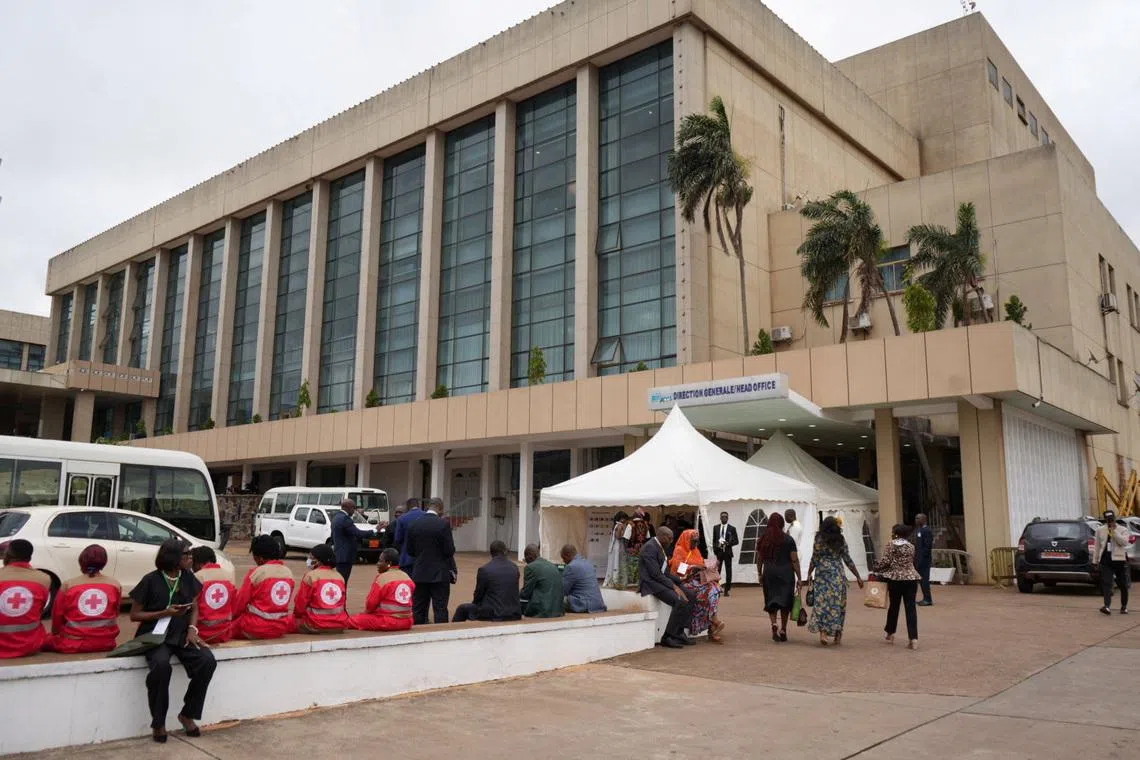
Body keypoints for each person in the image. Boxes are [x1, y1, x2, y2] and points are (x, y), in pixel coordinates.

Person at [128, 539, 215, 743]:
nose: (191, 558)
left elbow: (194, 606)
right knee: (161, 666)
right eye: (187, 554)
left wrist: (192, 628)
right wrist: (163, 613)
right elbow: (134, 615)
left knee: (207, 661)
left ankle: (188, 714)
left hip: (181, 633)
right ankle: (158, 723)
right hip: (155, 635)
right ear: (174, 558)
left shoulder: (188, 577)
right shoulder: (150, 580)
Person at [46, 544, 121, 654]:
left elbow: (57, 616)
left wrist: (55, 634)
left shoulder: (68, 585)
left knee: (42, 639)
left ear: (81, 561)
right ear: (104, 562)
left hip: (72, 643)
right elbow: (116, 613)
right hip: (106, 643)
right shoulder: (115, 584)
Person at [806, 517, 863, 646]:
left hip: (822, 575)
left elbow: (814, 558)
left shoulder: (819, 539)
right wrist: (858, 576)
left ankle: (823, 633)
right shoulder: (840, 540)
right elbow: (847, 559)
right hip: (837, 575)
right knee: (838, 604)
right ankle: (838, 634)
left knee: (821, 604)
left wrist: (808, 573)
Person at [639, 526, 695, 649]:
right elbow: (655, 574)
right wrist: (673, 586)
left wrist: (679, 580)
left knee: (691, 595)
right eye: (670, 539)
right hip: (650, 583)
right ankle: (668, 637)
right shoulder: (650, 548)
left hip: (660, 580)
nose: (671, 541)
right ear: (663, 537)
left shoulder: (660, 547)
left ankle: (679, 633)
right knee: (679, 600)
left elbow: (665, 573)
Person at [232, 534, 295, 640]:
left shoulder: (256, 573)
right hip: (280, 628)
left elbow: (239, 605)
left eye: (254, 558)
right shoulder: (288, 574)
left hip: (254, 627)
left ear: (260, 558)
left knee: (223, 628)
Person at [405, 497, 457, 624]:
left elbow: (410, 551)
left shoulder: (414, 524)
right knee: (440, 608)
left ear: (428, 507)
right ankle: (440, 635)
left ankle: (418, 633)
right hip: (439, 573)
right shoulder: (443, 524)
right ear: (440, 508)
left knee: (418, 608)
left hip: (419, 572)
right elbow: (449, 551)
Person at [669, 529, 725, 642]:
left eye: (697, 541)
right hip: (684, 581)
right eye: (693, 541)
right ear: (687, 540)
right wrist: (693, 567)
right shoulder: (679, 550)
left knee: (715, 590)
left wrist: (708, 566)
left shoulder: (695, 550)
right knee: (708, 592)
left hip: (697, 579)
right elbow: (677, 569)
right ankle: (713, 622)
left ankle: (712, 625)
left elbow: (700, 562)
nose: (695, 544)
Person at [872, 524, 922, 649]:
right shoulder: (911, 546)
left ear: (895, 533)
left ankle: (890, 632)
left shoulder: (891, 544)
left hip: (896, 578)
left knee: (894, 606)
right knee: (911, 608)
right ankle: (913, 638)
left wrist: (877, 567)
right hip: (911, 578)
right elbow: (912, 561)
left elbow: (886, 561)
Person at [0, 539, 51, 658]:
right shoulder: (44, 579)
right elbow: (40, 610)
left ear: (7, 555)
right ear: (29, 557)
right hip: (30, 645)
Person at [758, 512, 800, 643]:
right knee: (785, 602)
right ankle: (783, 629)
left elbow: (759, 559)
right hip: (786, 573)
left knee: (771, 600)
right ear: (782, 524)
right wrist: (799, 576)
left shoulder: (763, 539)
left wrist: (759, 573)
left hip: (769, 572)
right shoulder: (788, 539)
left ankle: (774, 623)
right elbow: (794, 559)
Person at [453, 541, 521, 622]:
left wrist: (476, 605)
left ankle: (451, 633)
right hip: (514, 613)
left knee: (462, 609)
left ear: (491, 553)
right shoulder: (514, 568)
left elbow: (478, 594)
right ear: (505, 551)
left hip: (494, 614)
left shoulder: (485, 569)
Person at [350, 548, 416, 632]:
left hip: (388, 622)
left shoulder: (382, 578)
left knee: (352, 620)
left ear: (389, 563)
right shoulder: (407, 577)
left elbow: (370, 605)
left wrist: (365, 614)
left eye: (380, 561)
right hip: (408, 621)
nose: (378, 564)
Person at [292, 544, 351, 633]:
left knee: (286, 621)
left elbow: (300, 605)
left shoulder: (311, 576)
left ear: (318, 561)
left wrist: (296, 617)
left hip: (315, 624)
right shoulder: (340, 577)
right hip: (339, 625)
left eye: (311, 558)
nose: (309, 560)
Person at [191, 546, 236, 645]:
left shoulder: (198, 577)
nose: (192, 568)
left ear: (198, 563)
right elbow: (234, 604)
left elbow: (191, 607)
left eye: (193, 565)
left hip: (201, 633)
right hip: (224, 633)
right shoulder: (229, 576)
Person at [1094, 510, 1130, 615]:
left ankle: (1124, 606)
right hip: (1105, 560)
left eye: (1111, 519)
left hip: (1119, 560)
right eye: (1108, 519)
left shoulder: (1122, 529)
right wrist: (1095, 561)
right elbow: (1097, 546)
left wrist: (1114, 531)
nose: (1110, 521)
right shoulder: (1100, 530)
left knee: (1122, 584)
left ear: (1114, 518)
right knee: (1107, 583)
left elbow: (1124, 542)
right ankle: (1107, 606)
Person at [331, 498, 375, 582]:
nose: (354, 511)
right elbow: (357, 533)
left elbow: (333, 535)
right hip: (345, 556)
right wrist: (374, 531)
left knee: (340, 580)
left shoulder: (336, 517)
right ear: (348, 507)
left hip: (339, 554)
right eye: (354, 508)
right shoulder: (345, 519)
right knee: (343, 581)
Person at [520, 544, 564, 618]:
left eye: (525, 557)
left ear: (529, 556)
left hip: (542, 610)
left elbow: (526, 593)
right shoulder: (552, 565)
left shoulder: (530, 567)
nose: (526, 561)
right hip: (558, 609)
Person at [561, 544, 607, 613]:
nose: (563, 561)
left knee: (555, 600)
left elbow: (563, 591)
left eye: (563, 558)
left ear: (567, 556)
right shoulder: (588, 563)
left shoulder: (571, 567)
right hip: (598, 605)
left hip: (584, 604)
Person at [394, 497, 426, 575]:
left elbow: (398, 539)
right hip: (424, 559)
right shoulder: (426, 516)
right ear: (418, 505)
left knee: (408, 583)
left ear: (408, 507)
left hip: (407, 559)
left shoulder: (402, 519)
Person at [624, 508, 654, 588]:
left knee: (631, 565)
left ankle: (631, 583)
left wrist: (627, 548)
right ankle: (639, 582)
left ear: (634, 515)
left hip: (632, 549)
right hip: (643, 549)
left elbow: (626, 538)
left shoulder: (631, 524)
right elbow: (648, 537)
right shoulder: (645, 524)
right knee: (641, 565)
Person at [712, 511, 739, 596]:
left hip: (727, 552)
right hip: (719, 553)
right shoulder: (715, 528)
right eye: (722, 517)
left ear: (728, 518)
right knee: (718, 571)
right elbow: (714, 540)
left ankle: (727, 589)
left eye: (725, 517)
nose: (724, 518)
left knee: (728, 571)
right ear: (720, 518)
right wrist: (715, 550)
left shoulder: (732, 528)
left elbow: (736, 541)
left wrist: (728, 543)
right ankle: (717, 588)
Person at [603, 511, 630, 588]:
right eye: (625, 518)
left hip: (614, 545)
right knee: (616, 562)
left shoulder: (615, 524)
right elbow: (618, 536)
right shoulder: (620, 525)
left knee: (612, 562)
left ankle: (612, 579)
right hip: (617, 546)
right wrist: (624, 534)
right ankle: (615, 580)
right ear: (622, 519)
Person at [914, 513, 934, 606]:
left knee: (924, 580)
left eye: (918, 518)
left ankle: (928, 599)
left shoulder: (927, 530)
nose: (916, 520)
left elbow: (927, 546)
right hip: (918, 559)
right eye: (916, 518)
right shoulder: (919, 530)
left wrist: (922, 558)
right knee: (921, 580)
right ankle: (925, 598)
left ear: (924, 519)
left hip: (924, 560)